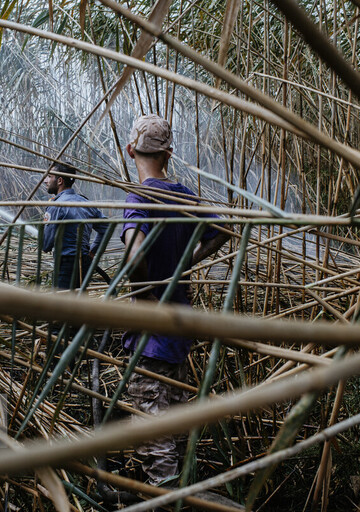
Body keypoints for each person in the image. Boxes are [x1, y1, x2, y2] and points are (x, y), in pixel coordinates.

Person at [121, 114, 231, 486]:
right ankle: (180, 493)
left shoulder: (140, 197)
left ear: (130, 149)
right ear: (169, 154)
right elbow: (222, 232)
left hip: (151, 340)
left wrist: (147, 293)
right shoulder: (184, 195)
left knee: (155, 437)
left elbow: (134, 256)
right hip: (180, 332)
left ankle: (167, 498)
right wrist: (186, 261)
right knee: (175, 426)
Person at [42, 162, 108, 290]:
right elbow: (106, 228)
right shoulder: (85, 202)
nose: (45, 181)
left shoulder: (56, 206)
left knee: (63, 305)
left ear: (60, 180)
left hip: (65, 264)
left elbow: (46, 245)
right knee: (79, 304)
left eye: (49, 176)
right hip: (84, 263)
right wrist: (93, 251)